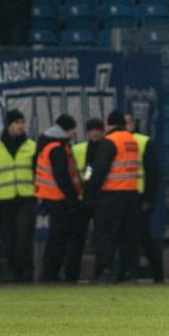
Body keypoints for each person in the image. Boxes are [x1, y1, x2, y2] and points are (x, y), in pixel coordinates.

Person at [87, 110, 140, 282]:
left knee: (105, 236)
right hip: (131, 194)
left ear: (108, 124)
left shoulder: (110, 141)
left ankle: (104, 271)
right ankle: (128, 272)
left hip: (112, 194)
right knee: (128, 236)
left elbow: (100, 169)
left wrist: (91, 191)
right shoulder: (132, 140)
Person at [0, 109, 37, 282]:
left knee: (24, 237)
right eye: (17, 122)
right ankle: (15, 272)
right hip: (4, 202)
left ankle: (26, 272)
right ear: (9, 125)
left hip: (26, 199)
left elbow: (39, 173)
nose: (21, 126)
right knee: (9, 240)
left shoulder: (31, 146)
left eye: (22, 122)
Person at [35, 114, 83, 283]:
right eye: (73, 129)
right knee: (58, 238)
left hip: (51, 197)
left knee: (57, 237)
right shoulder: (57, 147)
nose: (75, 132)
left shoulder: (47, 145)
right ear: (67, 130)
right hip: (59, 198)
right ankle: (50, 273)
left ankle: (51, 273)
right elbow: (62, 176)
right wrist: (73, 200)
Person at [126, 114, 164, 283]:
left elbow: (153, 173)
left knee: (144, 238)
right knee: (128, 239)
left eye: (127, 123)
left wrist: (149, 198)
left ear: (133, 124)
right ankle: (128, 273)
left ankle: (157, 275)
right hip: (122, 196)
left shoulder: (143, 142)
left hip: (138, 196)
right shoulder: (111, 141)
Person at [69, 118, 106, 282]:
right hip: (83, 199)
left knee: (100, 239)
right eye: (92, 130)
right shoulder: (79, 149)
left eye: (98, 129)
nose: (95, 133)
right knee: (77, 238)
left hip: (99, 199)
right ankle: (72, 274)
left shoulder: (106, 148)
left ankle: (99, 273)